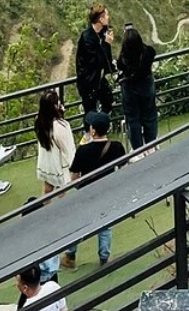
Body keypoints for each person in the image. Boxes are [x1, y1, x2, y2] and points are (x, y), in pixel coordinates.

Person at [64, 111, 126, 269]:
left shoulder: (83, 150)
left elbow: (74, 177)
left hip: (86, 193)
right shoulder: (117, 147)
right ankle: (104, 259)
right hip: (107, 191)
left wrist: (79, 187)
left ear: (92, 131)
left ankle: (70, 256)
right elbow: (124, 169)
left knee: (78, 224)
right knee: (105, 225)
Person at [117, 23, 158, 151]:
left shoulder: (123, 59)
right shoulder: (148, 53)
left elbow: (119, 65)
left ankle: (138, 151)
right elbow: (151, 51)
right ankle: (151, 145)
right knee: (150, 116)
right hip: (146, 87)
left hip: (130, 90)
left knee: (133, 120)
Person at [76, 4, 116, 117]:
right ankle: (92, 132)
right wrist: (106, 44)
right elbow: (97, 60)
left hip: (99, 78)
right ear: (100, 19)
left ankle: (100, 128)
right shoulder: (87, 37)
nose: (108, 17)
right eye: (106, 15)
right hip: (88, 81)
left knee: (108, 102)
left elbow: (106, 58)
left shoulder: (103, 32)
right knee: (90, 113)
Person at [35, 91, 76, 194]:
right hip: (59, 163)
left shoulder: (39, 121)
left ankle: (45, 206)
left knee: (48, 188)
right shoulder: (60, 126)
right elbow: (67, 147)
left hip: (47, 160)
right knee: (61, 189)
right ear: (54, 106)